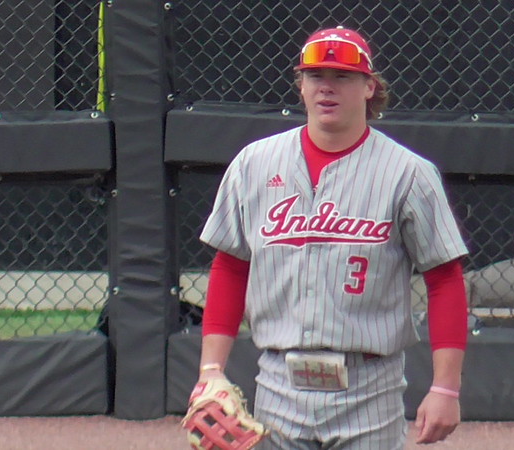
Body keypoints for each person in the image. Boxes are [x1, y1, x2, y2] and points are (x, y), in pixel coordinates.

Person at [192, 25, 469, 448]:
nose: (327, 88)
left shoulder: (408, 173)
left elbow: (444, 279)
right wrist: (211, 371)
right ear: (300, 86)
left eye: (342, 76)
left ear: (369, 87)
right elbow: (231, 265)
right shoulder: (254, 164)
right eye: (316, 76)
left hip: (370, 388)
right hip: (278, 385)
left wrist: (446, 389)